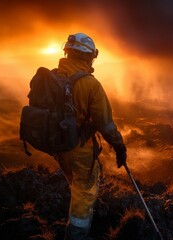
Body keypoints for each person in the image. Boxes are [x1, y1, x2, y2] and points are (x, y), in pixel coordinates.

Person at [53, 33, 127, 240]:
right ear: (88, 56)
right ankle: (77, 234)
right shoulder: (90, 84)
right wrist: (119, 147)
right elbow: (106, 123)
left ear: (68, 53)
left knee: (75, 185)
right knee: (84, 192)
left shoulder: (54, 77)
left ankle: (76, 222)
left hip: (59, 147)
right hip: (79, 148)